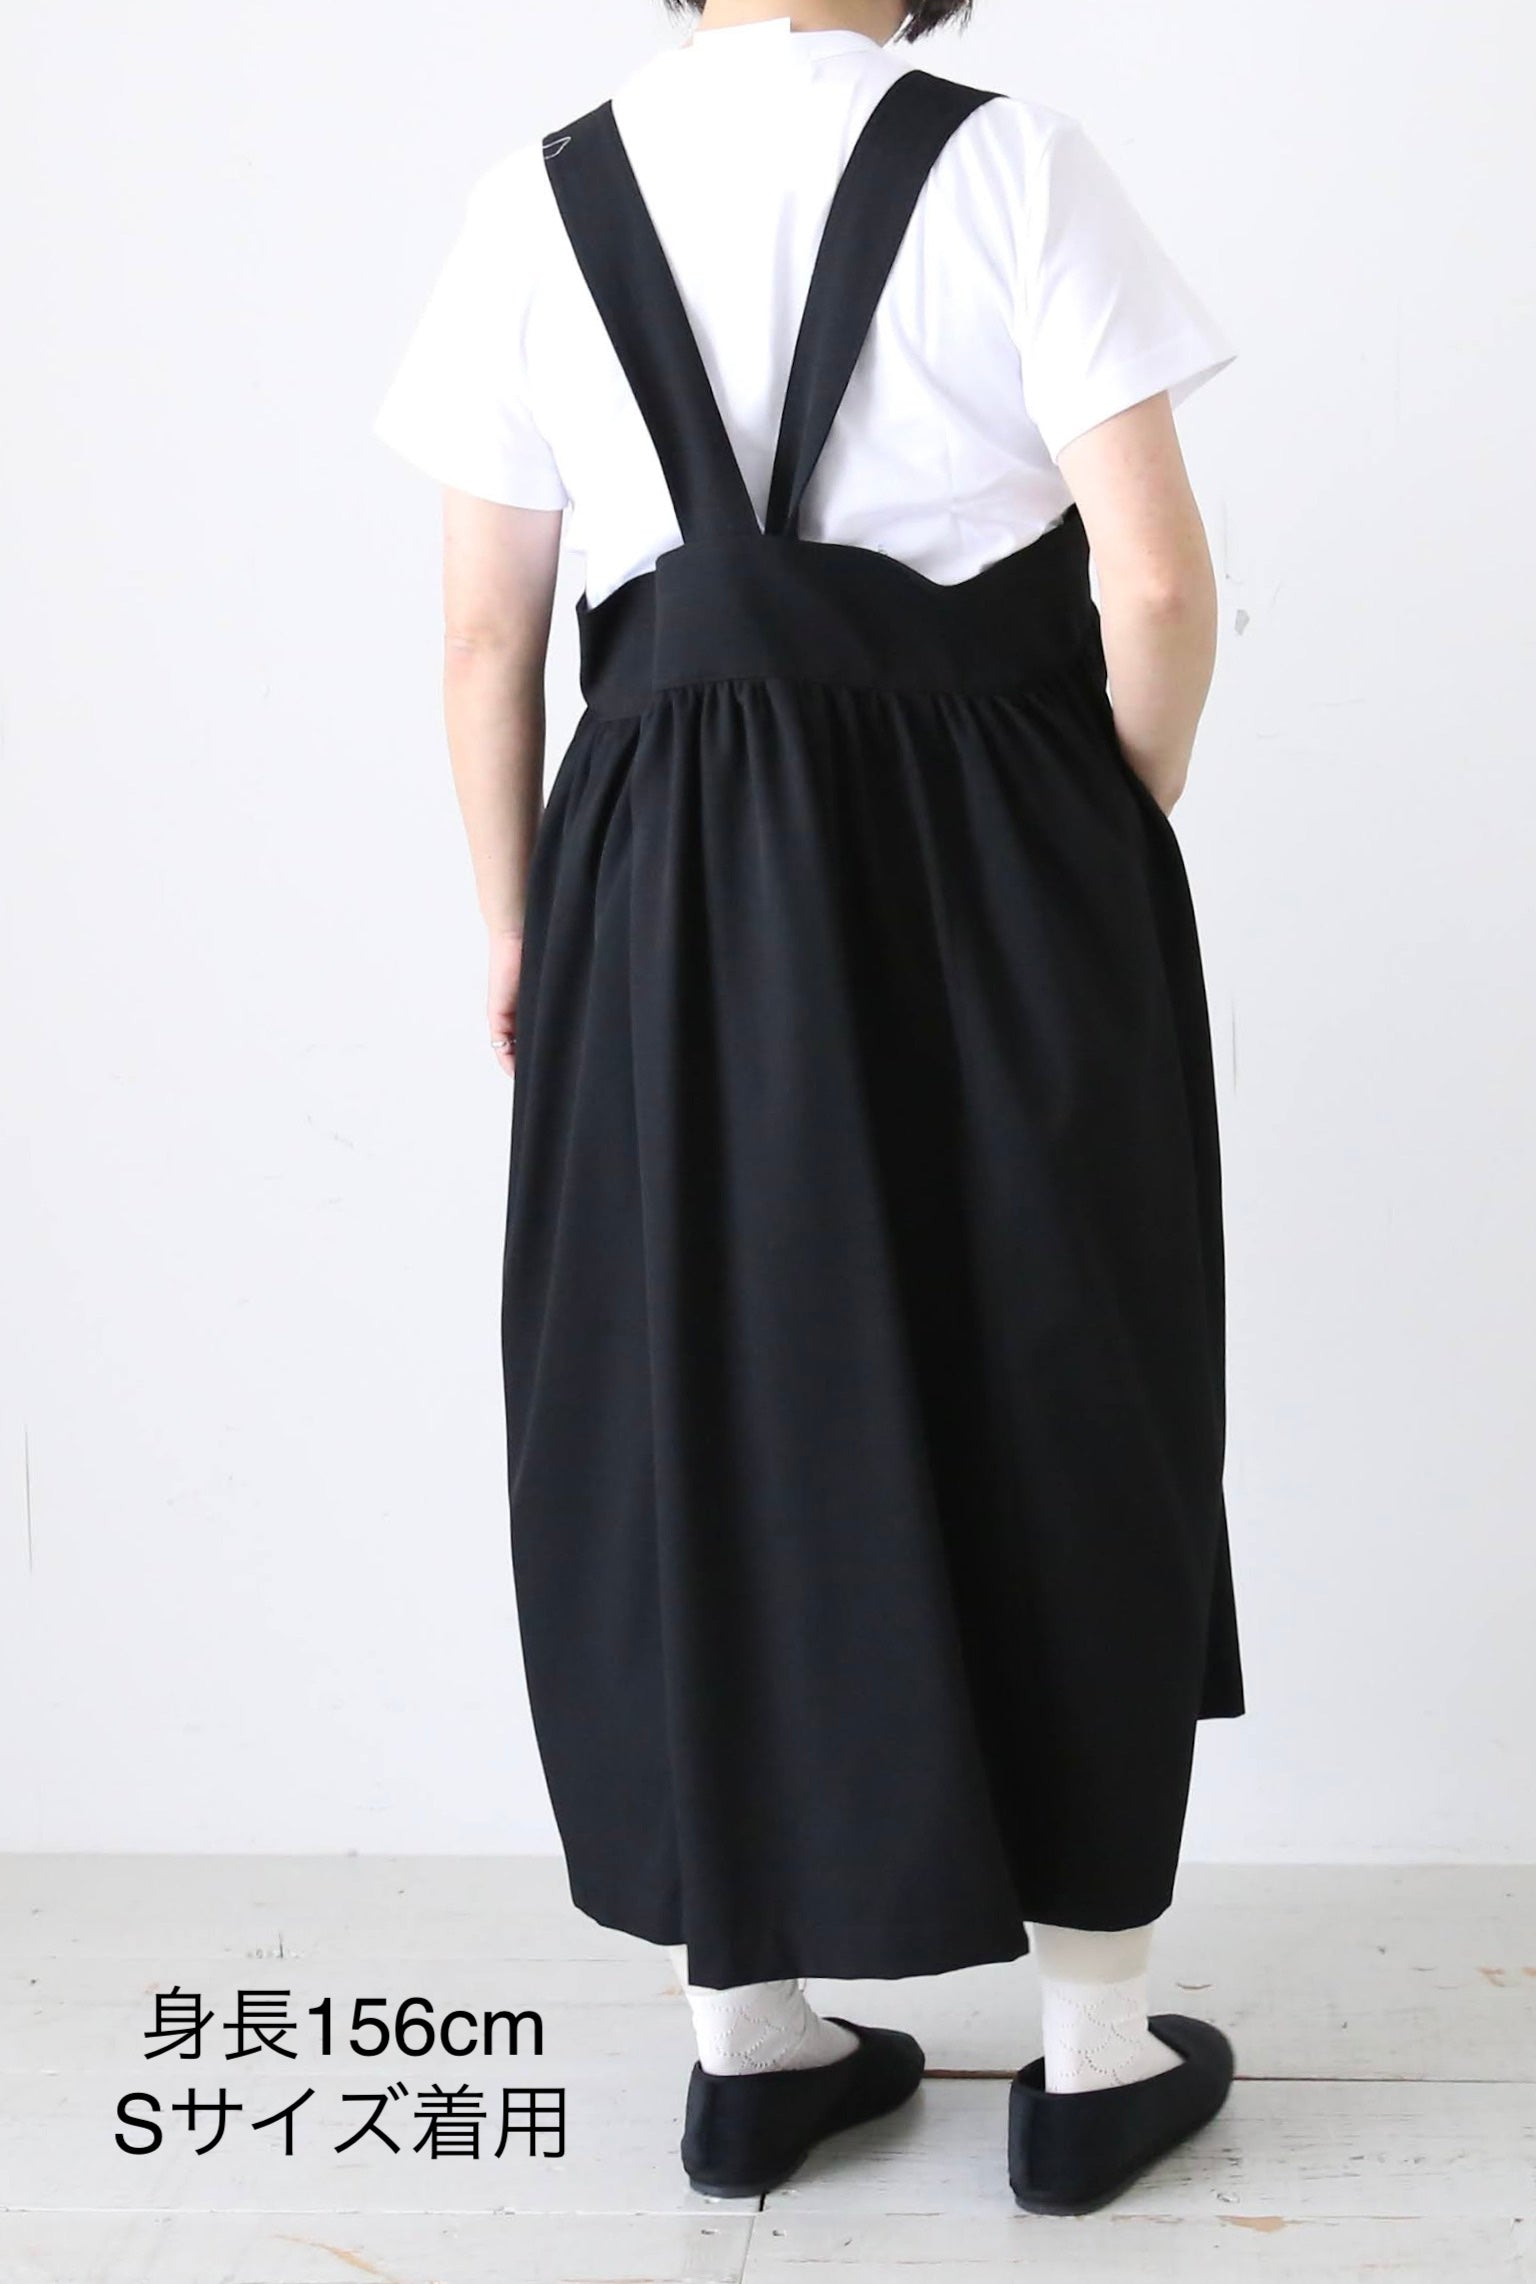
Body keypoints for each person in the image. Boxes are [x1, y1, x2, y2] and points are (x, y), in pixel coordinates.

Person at [373, 0, 1246, 2216]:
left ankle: (748, 2046)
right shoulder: (1009, 158)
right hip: (999, 825)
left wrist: (517, 918)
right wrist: (1100, 828)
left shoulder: (536, 194)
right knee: (1067, 1375)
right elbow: (1152, 577)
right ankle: (1089, 2057)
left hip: (654, 854)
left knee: (693, 1386)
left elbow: (483, 635)